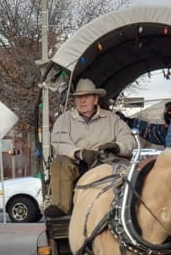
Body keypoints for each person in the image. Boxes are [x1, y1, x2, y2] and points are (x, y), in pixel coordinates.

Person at [46, 78, 135, 218]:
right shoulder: (65, 119)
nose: (82, 101)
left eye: (86, 97)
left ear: (95, 100)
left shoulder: (112, 119)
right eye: (79, 98)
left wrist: (117, 147)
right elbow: (58, 141)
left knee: (127, 170)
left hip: (106, 163)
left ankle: (127, 207)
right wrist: (79, 153)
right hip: (76, 164)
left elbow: (129, 140)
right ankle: (61, 207)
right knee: (60, 162)